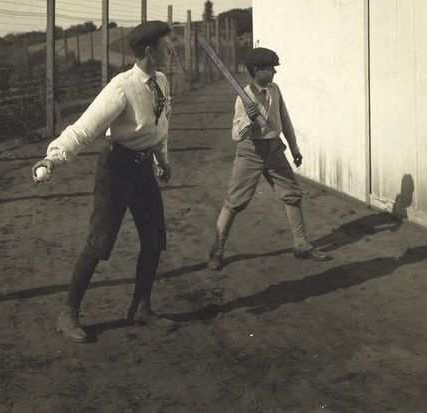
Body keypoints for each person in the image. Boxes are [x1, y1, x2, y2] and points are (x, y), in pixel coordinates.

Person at [32, 20, 175, 342]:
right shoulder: (121, 86)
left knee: (154, 241)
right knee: (99, 243)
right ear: (149, 51)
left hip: (143, 169)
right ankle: (68, 313)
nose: (172, 50)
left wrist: (162, 161)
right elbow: (84, 129)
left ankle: (140, 308)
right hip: (117, 169)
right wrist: (52, 158)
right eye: (168, 45)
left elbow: (158, 127)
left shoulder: (162, 81)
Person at [208, 47, 330, 270]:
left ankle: (301, 243)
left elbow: (285, 119)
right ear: (257, 70)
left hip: (274, 149)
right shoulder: (244, 97)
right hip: (250, 151)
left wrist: (294, 148)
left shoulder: (275, 90)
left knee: (292, 194)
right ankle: (217, 250)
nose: (274, 71)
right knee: (235, 201)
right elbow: (236, 135)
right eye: (270, 68)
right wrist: (249, 119)